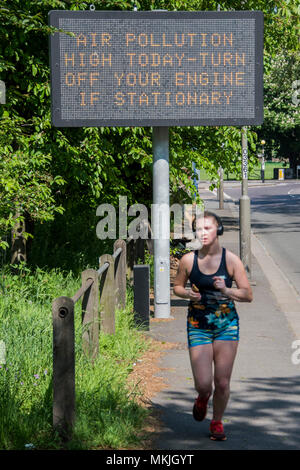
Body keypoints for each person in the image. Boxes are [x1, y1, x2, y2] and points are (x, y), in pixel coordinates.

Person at [173, 210, 252, 441]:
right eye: (198, 228)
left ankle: (217, 422)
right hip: (198, 326)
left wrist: (227, 290)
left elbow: (248, 295)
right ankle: (202, 398)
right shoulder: (189, 260)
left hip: (227, 326)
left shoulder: (231, 260)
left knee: (223, 381)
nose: (203, 232)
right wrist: (187, 294)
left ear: (218, 230)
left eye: (207, 228)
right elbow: (177, 287)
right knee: (204, 384)